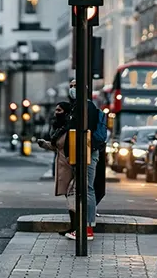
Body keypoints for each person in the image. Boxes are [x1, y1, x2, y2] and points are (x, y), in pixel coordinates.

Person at [64, 78, 106, 241]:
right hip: (80, 153)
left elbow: (82, 131)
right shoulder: (79, 106)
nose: (72, 89)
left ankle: (87, 228)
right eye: (71, 86)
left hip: (86, 153)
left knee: (87, 189)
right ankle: (84, 228)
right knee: (83, 189)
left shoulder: (86, 107)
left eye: (75, 86)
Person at [37, 101, 76, 234]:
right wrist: (44, 144)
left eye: (59, 110)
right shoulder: (60, 128)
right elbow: (57, 146)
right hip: (62, 166)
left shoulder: (70, 128)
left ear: (66, 112)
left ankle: (76, 228)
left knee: (72, 196)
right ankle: (73, 226)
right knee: (69, 196)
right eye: (56, 110)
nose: (56, 113)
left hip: (70, 166)